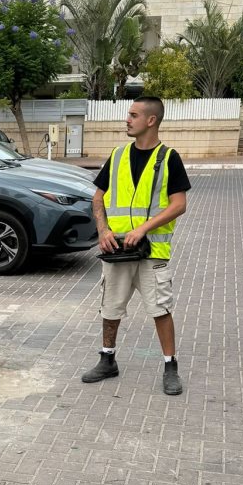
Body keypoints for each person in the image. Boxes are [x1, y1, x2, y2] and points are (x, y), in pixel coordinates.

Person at [81, 95, 190, 395]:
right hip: (116, 249)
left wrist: (143, 228)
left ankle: (170, 366)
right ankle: (107, 360)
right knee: (110, 306)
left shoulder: (169, 158)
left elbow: (179, 204)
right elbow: (98, 197)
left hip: (151, 251)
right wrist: (103, 230)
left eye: (133, 115)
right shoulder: (117, 155)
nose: (127, 120)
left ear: (151, 120)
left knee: (160, 309)